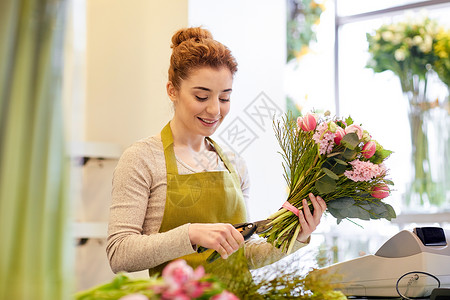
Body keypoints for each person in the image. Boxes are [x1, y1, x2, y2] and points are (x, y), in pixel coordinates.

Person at [106, 27, 327, 276]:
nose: (214, 110)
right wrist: (191, 234)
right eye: (201, 97)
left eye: (224, 98)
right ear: (172, 90)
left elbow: (244, 254)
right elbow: (119, 253)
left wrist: (299, 235)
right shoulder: (142, 159)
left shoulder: (234, 164)